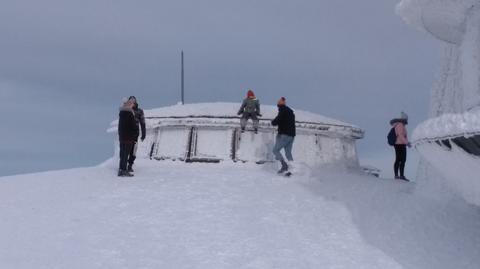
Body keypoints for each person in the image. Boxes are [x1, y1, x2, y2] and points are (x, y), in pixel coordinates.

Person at [271, 97, 296, 174]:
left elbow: (278, 120)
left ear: (279, 104)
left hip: (285, 134)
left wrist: (273, 122)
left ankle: (284, 165)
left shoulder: (283, 110)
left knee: (275, 150)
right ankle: (293, 169)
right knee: (288, 153)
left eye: (278, 104)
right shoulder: (290, 111)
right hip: (292, 135)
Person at [118, 98, 137, 177]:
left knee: (122, 154)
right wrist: (135, 133)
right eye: (131, 103)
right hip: (128, 138)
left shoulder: (121, 113)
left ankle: (121, 169)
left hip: (122, 137)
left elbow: (120, 126)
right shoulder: (129, 113)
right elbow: (133, 126)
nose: (132, 105)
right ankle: (123, 170)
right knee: (126, 154)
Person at [127, 96, 146, 172]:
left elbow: (143, 123)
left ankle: (130, 165)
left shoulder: (139, 111)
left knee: (133, 151)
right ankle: (124, 165)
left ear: (135, 102)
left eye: (133, 101)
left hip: (135, 135)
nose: (132, 102)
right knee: (126, 151)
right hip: (127, 134)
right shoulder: (126, 110)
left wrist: (143, 133)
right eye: (130, 101)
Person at [390, 111, 411, 181]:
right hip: (400, 144)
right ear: (404, 119)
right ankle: (399, 175)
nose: (407, 120)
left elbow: (403, 136)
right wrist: (407, 143)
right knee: (400, 160)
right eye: (406, 119)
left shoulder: (400, 125)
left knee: (400, 160)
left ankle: (399, 175)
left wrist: (406, 142)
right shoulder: (400, 125)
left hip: (400, 144)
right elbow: (401, 135)